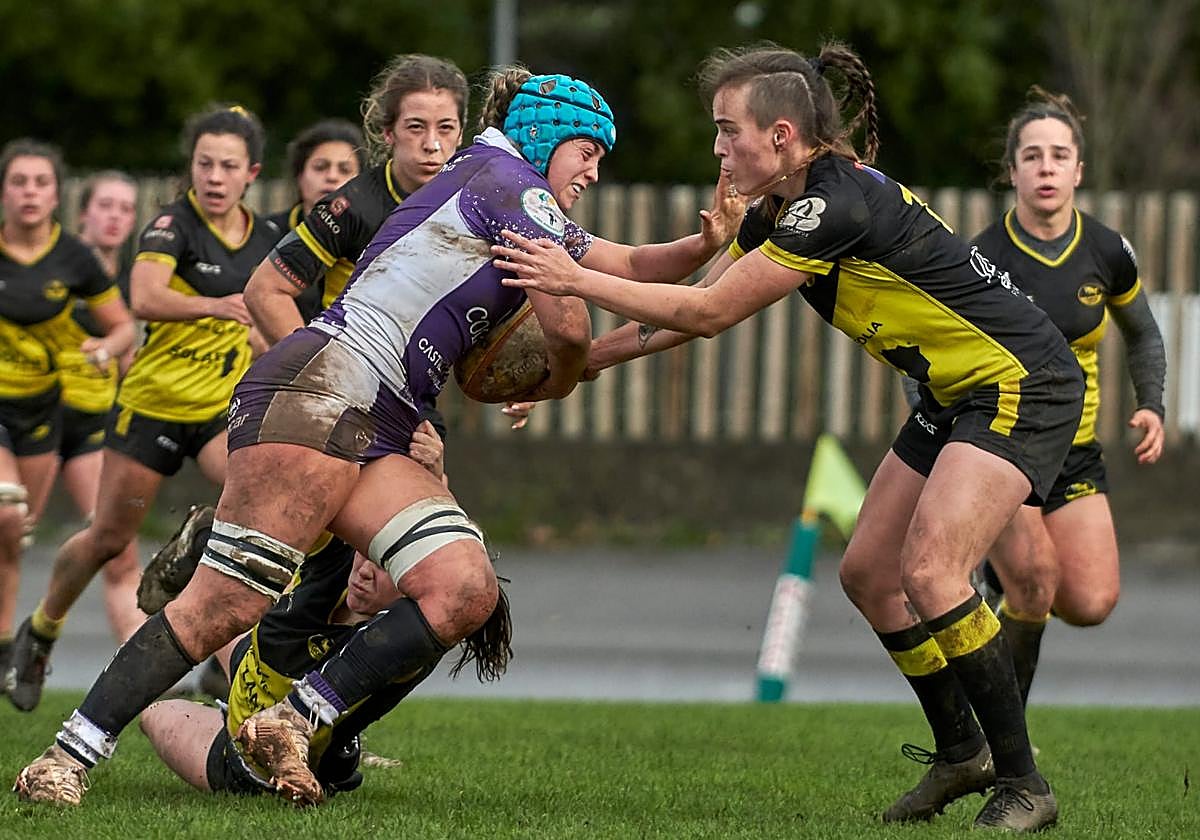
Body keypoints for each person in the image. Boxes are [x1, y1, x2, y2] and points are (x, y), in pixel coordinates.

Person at [13, 66, 741, 808]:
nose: (593, 169)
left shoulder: (510, 190)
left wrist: (706, 242)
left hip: (383, 415)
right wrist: (557, 377)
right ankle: (67, 755)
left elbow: (624, 264)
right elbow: (569, 324)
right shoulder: (511, 183)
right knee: (224, 608)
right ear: (546, 135)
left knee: (463, 586)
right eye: (589, 149)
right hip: (324, 386)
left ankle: (292, 719)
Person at [492, 44, 1082, 832]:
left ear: (780, 135)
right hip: (954, 394)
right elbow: (699, 303)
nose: (717, 148)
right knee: (870, 575)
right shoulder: (783, 207)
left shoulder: (830, 207)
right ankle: (960, 752)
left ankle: (1023, 781)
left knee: (933, 571)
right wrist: (578, 366)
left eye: (726, 130)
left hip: (1020, 382)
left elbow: (707, 314)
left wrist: (573, 279)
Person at [4, 105, 279, 712]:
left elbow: (264, 321)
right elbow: (145, 297)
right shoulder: (170, 227)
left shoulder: (264, 238)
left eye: (227, 166)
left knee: (253, 497)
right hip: (151, 409)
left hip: (216, 410)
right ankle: (42, 629)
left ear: (250, 174)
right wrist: (219, 306)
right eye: (203, 163)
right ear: (191, 167)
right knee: (106, 537)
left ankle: (205, 588)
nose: (213, 176)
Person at [139, 422, 512, 802]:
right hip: (261, 660)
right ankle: (204, 545)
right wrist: (432, 477)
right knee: (158, 704)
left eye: (387, 571)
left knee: (161, 715)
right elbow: (394, 508)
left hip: (254, 744)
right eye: (373, 553)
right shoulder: (343, 562)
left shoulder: (407, 643)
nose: (367, 568)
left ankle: (204, 550)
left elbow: (448, 577)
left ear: (414, 594)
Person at [972, 87, 1165, 707]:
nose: (1046, 167)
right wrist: (944, 438)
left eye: (1059, 155)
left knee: (1090, 602)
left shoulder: (1107, 251)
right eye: (1032, 156)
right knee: (1037, 581)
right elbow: (929, 350)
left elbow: (1143, 334)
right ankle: (1002, 743)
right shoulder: (983, 256)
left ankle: (997, 580)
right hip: (1004, 449)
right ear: (1013, 172)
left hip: (1075, 454)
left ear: (1079, 170)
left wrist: (1152, 404)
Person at [0, 141, 135, 681]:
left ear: (55, 195)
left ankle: (134, 671)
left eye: (40, 182)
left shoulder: (86, 266)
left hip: (62, 419)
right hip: (19, 409)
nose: (30, 192)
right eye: (19, 181)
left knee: (106, 540)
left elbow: (124, 330)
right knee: (6, 512)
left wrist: (106, 349)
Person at [247, 54, 470, 337]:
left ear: (461, 133)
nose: (431, 144)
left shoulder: (477, 201)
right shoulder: (352, 205)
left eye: (445, 128)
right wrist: (312, 373)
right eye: (415, 127)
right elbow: (264, 291)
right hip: (354, 370)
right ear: (388, 133)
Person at [51, 171, 146, 644]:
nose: (115, 216)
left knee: (119, 549)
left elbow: (132, 366)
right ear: (83, 212)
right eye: (105, 205)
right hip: (30, 421)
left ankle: (140, 678)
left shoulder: (131, 285)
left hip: (93, 428)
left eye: (125, 209)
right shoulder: (49, 269)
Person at [262, 118, 365, 237]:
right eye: (320, 167)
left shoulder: (376, 240)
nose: (332, 176)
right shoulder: (266, 234)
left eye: (345, 170)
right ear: (300, 175)